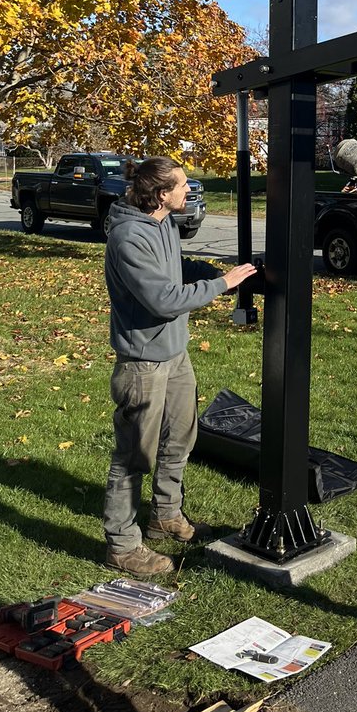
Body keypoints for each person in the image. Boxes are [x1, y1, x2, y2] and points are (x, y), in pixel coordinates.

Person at [102, 157, 257, 576]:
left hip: (175, 355)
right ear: (160, 194)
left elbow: (177, 269)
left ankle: (165, 517)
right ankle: (122, 544)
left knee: (181, 439)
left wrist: (221, 274)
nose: (190, 189)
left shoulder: (164, 224)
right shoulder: (129, 237)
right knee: (134, 456)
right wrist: (220, 285)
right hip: (143, 364)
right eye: (183, 185)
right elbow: (164, 299)